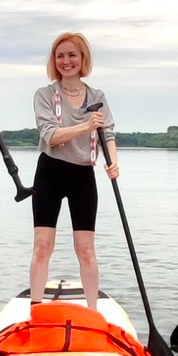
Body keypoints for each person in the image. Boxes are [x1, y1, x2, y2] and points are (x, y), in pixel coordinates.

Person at [28, 32, 121, 308]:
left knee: (86, 250)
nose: (66, 61)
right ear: (54, 61)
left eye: (72, 55)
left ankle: (92, 310)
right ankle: (36, 307)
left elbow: (109, 133)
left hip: (82, 174)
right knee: (43, 246)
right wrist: (86, 125)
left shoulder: (97, 96)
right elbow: (51, 135)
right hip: (50, 172)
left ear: (82, 59)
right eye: (60, 56)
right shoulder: (44, 95)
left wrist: (112, 161)